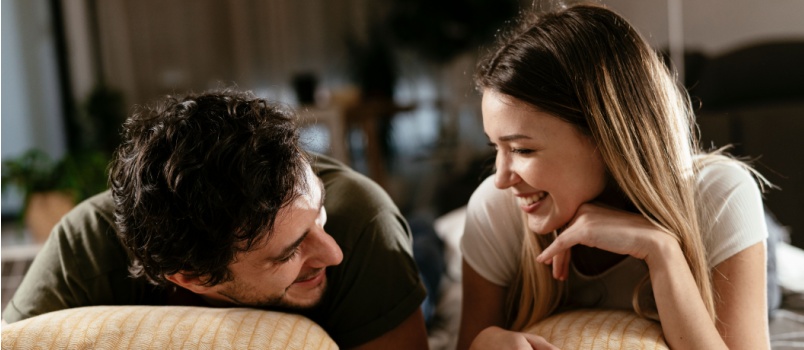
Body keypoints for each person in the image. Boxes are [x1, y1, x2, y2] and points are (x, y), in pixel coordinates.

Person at [2, 89, 429, 349]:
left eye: (318, 209)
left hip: (391, 258)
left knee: (428, 247)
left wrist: (307, 232)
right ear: (191, 277)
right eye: (289, 252)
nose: (331, 252)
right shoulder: (84, 247)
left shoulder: (358, 223)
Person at [457, 4, 770, 350]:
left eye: (523, 150)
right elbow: (471, 340)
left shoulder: (720, 195)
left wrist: (660, 249)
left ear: (606, 139)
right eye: (495, 148)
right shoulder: (495, 207)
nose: (501, 178)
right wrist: (486, 341)